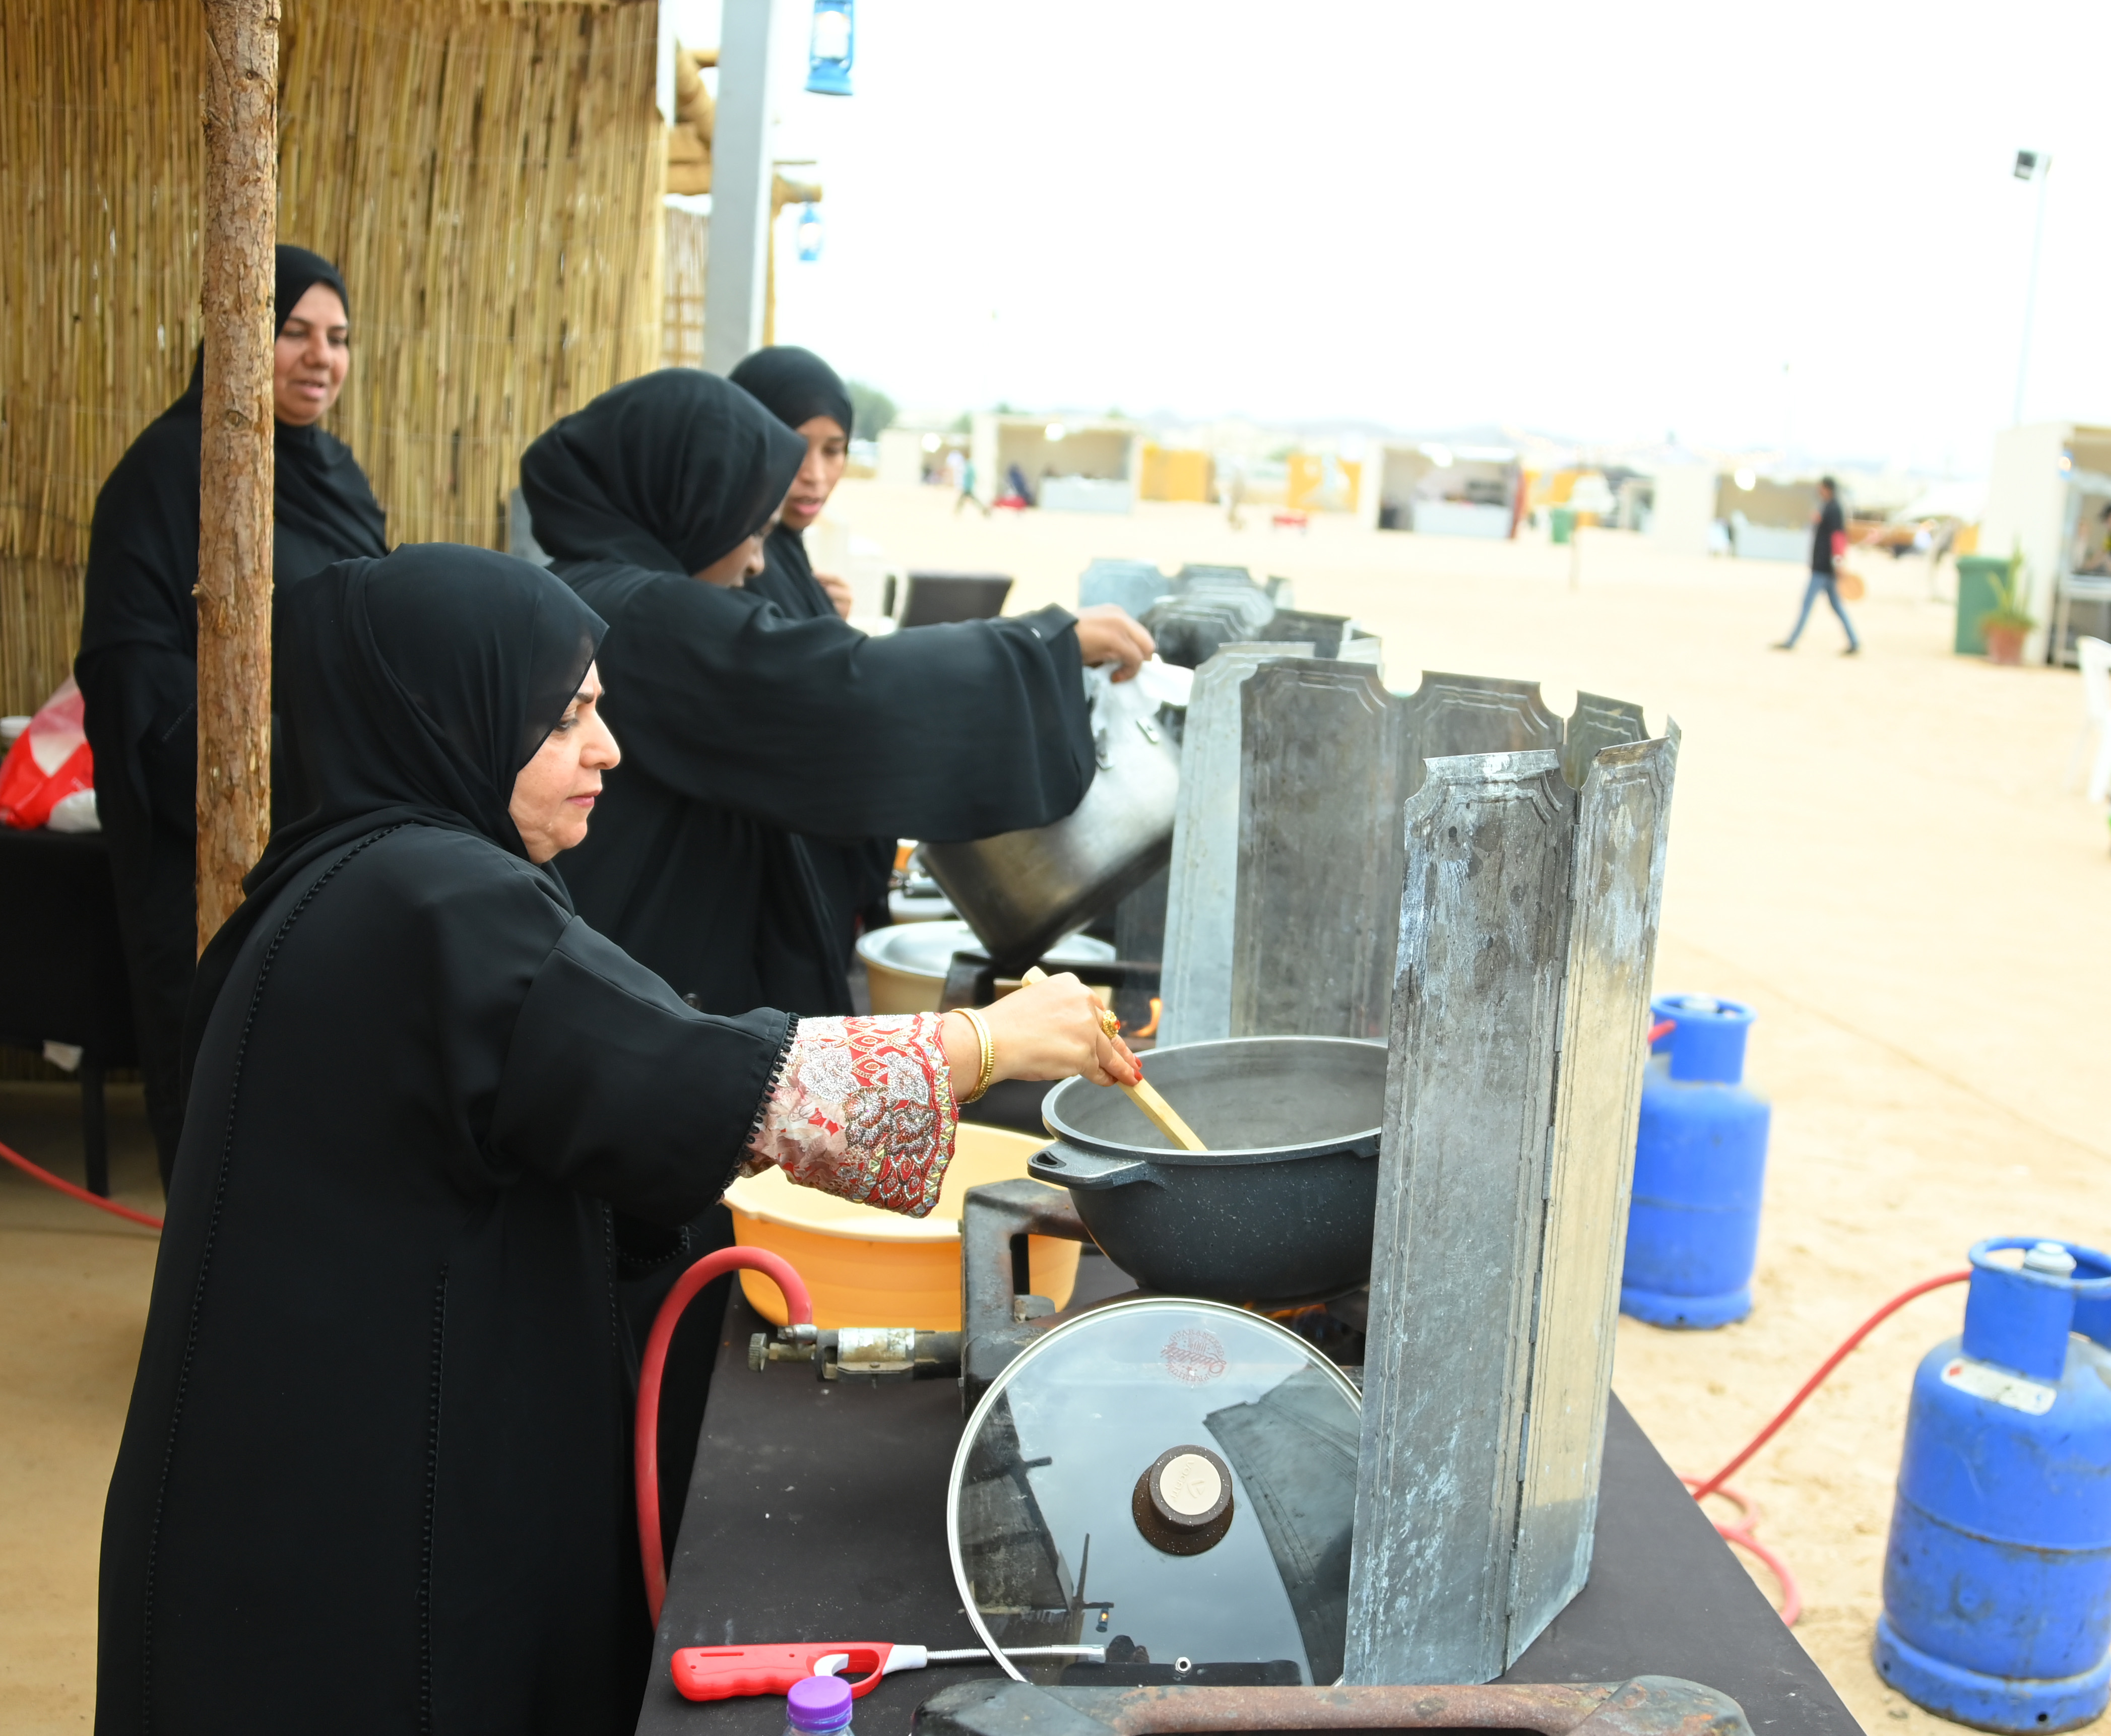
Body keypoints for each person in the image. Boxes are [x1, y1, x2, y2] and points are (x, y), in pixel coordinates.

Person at [96, 545, 1135, 1736]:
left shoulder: (343, 875)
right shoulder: (439, 902)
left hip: (287, 1497)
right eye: (568, 716)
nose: (610, 750)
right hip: (367, 1531)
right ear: (456, 714)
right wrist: (992, 1040)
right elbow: (713, 1083)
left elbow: (620, 1076)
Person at [518, 368, 1155, 1019]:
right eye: (753, 528)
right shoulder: (641, 612)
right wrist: (1043, 649)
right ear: (688, 496)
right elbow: (835, 692)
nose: (759, 563)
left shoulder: (598, 588)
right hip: (637, 1013)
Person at [75, 245, 389, 1184]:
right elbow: (132, 669)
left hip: (335, 834)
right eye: (292, 331)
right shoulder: (168, 469)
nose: (319, 357)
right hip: (212, 839)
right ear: (238, 337)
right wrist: (259, 777)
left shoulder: (336, 475)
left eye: (337, 337)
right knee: (218, 1070)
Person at [726, 346, 893, 956]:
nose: (816, 474)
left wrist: (819, 616)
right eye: (797, 446)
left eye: (834, 449)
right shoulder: (731, 563)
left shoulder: (786, 550)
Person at [1772, 475, 1861, 655]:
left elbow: (1838, 539)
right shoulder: (1829, 507)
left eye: (1821, 487)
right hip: (1825, 568)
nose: (1818, 490)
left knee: (1807, 604)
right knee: (1836, 607)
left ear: (1827, 489)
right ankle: (1854, 641)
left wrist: (1838, 564)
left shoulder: (1834, 508)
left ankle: (1791, 641)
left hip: (1824, 568)